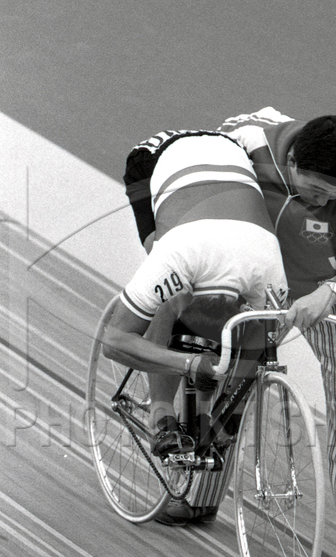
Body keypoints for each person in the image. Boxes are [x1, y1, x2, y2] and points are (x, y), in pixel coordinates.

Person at [124, 110, 336, 557]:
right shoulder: (246, 142)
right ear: (293, 161)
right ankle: (198, 495)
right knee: (229, 375)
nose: (321, 201)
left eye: (331, 196)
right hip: (266, 277)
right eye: (314, 189)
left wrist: (330, 292)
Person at [104, 130, 287, 514]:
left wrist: (225, 418)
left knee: (255, 343)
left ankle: (194, 419)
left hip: (227, 165)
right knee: (166, 302)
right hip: (154, 158)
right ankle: (162, 413)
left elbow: (259, 347)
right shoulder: (174, 259)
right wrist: (188, 363)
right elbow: (113, 341)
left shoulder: (268, 272)